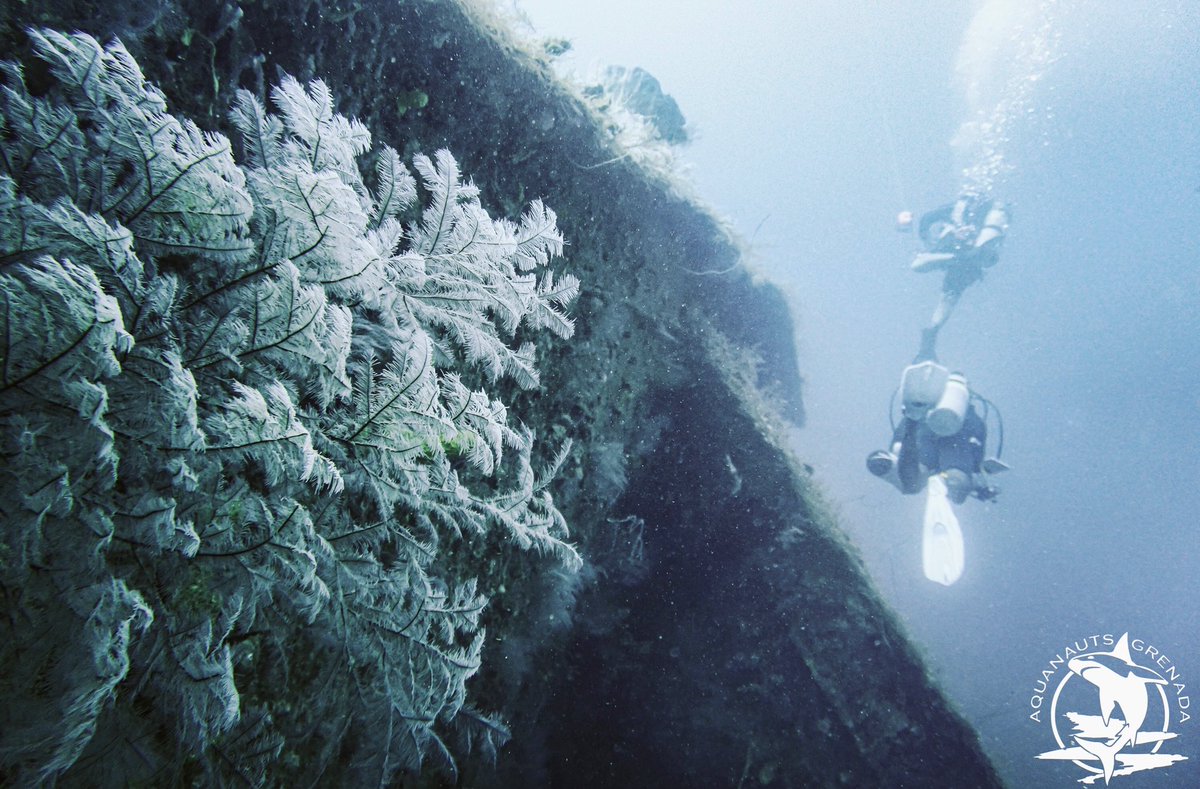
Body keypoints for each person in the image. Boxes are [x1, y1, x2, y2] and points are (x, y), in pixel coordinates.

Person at [866, 360, 1005, 504]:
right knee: (957, 482)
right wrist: (976, 484)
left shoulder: (926, 409)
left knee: (912, 482)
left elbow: (899, 438)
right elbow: (977, 458)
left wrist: (899, 448)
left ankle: (898, 470)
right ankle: (949, 484)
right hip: (957, 448)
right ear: (967, 396)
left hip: (925, 443)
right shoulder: (972, 418)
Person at [910, 194, 1010, 347]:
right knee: (950, 295)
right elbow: (992, 254)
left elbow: (926, 219)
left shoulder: (956, 209)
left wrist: (926, 239)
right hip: (967, 260)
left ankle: (930, 336)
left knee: (946, 292)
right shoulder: (992, 215)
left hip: (958, 255)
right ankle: (931, 334)